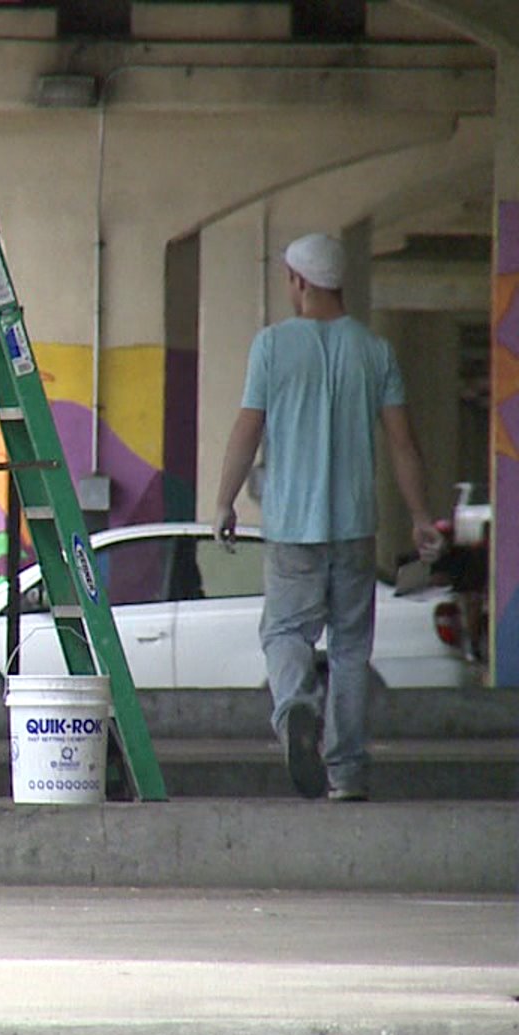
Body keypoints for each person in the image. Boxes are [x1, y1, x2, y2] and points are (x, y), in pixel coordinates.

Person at [213, 232, 441, 802]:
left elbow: (248, 429)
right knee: (348, 650)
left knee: (286, 631)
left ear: (300, 282)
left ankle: (295, 709)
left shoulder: (271, 347)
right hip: (355, 529)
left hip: (291, 527)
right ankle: (347, 773)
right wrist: (419, 517)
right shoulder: (374, 350)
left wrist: (224, 500)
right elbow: (403, 443)